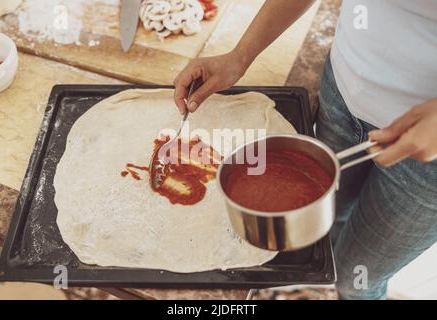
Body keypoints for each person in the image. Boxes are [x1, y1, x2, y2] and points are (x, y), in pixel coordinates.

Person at [173, 0, 437, 299]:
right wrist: (240, 55)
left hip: (428, 159)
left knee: (355, 280)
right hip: (342, 92)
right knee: (328, 220)